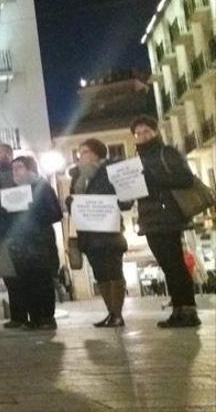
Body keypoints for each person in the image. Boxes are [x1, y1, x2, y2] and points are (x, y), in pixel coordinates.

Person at [131, 116, 201, 328]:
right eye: (138, 133)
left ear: (155, 132)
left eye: (146, 132)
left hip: (168, 215)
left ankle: (188, 310)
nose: (142, 136)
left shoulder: (166, 152)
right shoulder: (136, 160)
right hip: (149, 217)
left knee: (175, 263)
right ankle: (178, 310)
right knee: (167, 265)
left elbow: (185, 179)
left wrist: (154, 179)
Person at [67, 139, 132, 327]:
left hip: (109, 232)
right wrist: (71, 202)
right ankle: (111, 313)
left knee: (114, 271)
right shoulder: (79, 176)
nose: (82, 156)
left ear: (97, 154)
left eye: (86, 151)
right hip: (88, 233)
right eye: (80, 152)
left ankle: (118, 314)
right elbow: (74, 201)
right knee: (101, 274)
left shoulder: (111, 171)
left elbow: (125, 200)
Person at [4, 156, 62, 330]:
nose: (15, 171)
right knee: (26, 282)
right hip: (20, 245)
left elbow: (55, 213)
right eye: (13, 168)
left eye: (20, 167)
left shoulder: (42, 187)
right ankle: (34, 317)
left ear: (30, 169)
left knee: (42, 281)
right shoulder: (13, 192)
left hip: (41, 242)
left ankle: (47, 317)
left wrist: (33, 210)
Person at [0, 143, 28, 329]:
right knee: (10, 278)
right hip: (2, 232)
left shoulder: (19, 175)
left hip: (20, 231)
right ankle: (18, 316)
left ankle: (30, 314)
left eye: (1, 153)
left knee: (23, 275)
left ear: (10, 154)